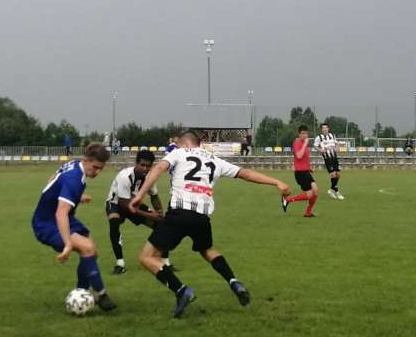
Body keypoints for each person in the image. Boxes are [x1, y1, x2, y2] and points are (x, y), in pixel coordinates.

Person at [128, 130, 291, 317]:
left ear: (185, 143)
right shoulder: (215, 159)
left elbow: (158, 169)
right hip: (202, 217)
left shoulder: (179, 153)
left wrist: (139, 196)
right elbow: (245, 173)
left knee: (147, 257)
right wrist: (276, 182)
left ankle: (181, 290)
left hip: (179, 213)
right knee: (207, 250)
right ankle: (234, 281)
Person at [32, 143, 115, 310]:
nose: (97, 172)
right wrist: (68, 244)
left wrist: (77, 196)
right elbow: (60, 213)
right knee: (87, 247)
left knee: (92, 251)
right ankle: (101, 295)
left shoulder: (74, 164)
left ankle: (80, 293)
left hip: (59, 217)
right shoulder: (74, 179)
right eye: (95, 167)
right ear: (86, 160)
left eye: (101, 168)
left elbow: (52, 180)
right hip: (47, 224)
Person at [105, 148, 166, 274]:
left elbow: (154, 196)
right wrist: (151, 215)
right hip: (116, 204)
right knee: (114, 223)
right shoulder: (125, 176)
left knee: (162, 226)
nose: (145, 168)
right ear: (136, 163)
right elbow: (125, 205)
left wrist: (160, 213)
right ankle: (120, 264)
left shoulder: (149, 177)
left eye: (148, 166)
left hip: (134, 204)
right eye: (142, 165)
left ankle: (165, 263)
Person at [283, 125, 319, 216]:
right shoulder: (297, 142)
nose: (304, 135)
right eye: (302, 133)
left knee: (315, 192)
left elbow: (304, 158)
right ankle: (287, 199)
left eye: (306, 133)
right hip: (300, 173)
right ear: (299, 134)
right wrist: (305, 145)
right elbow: (299, 156)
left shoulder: (304, 144)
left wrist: (309, 168)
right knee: (310, 194)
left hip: (306, 171)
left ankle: (308, 212)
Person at [314, 123, 345, 199]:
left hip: (334, 157)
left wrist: (337, 147)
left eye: (326, 128)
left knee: (338, 174)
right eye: (323, 128)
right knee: (333, 174)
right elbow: (315, 145)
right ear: (321, 130)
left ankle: (331, 189)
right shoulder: (319, 137)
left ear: (328, 129)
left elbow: (337, 143)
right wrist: (320, 150)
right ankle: (336, 191)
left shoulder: (332, 135)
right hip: (327, 158)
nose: (324, 129)